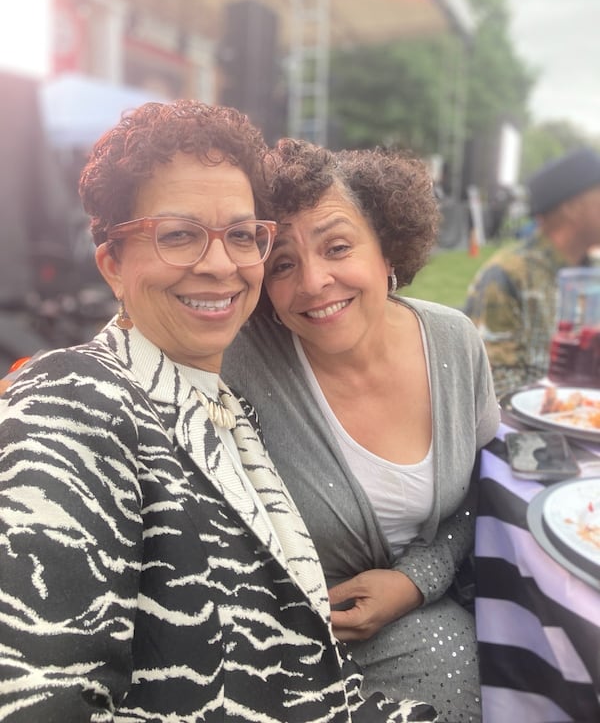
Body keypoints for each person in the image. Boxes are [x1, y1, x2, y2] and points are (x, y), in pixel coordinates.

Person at [0, 101, 436, 723]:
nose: (219, 264)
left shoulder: (225, 408)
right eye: (177, 234)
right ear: (112, 267)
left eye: (242, 235)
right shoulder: (69, 404)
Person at [222, 139, 500, 723]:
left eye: (338, 246)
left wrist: (416, 580)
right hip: (278, 642)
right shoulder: (236, 362)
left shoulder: (454, 342)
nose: (314, 282)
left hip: (422, 621)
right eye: (282, 265)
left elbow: (483, 489)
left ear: (386, 247)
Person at [464, 147, 600, 397]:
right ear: (573, 208)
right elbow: (493, 388)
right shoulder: (508, 275)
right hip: (528, 433)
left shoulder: (591, 276)